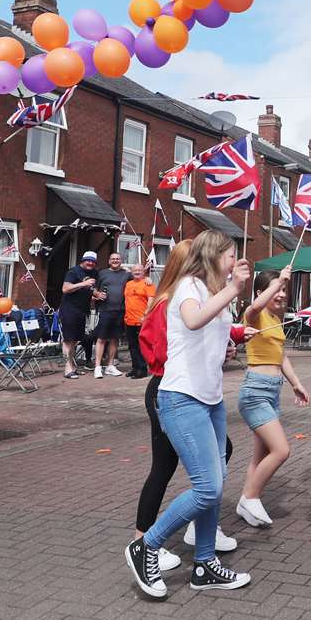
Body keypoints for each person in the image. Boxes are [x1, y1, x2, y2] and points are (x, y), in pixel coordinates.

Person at [126, 230, 254, 599]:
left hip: (210, 399)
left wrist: (225, 348)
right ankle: (146, 545)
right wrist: (233, 290)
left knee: (216, 483)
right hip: (181, 397)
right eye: (231, 256)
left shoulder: (216, 294)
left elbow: (203, 335)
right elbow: (194, 320)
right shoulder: (188, 286)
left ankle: (204, 563)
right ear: (214, 256)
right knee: (207, 487)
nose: (235, 262)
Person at [235, 267, 309, 528]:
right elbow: (254, 307)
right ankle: (249, 497)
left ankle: (247, 504)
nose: (281, 294)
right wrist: (278, 281)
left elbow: (281, 356)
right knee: (281, 450)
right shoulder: (254, 316)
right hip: (255, 391)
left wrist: (296, 384)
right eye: (276, 290)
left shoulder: (276, 321)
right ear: (262, 292)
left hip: (272, 391)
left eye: (284, 291)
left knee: (261, 455)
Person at [57, 252, 98, 378]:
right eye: (88, 260)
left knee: (75, 340)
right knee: (69, 339)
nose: (90, 263)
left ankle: (73, 366)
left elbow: (90, 290)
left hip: (82, 310)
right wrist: (83, 284)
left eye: (92, 261)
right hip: (70, 309)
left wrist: (97, 294)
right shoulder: (73, 272)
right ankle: (68, 369)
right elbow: (65, 289)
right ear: (83, 260)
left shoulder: (93, 273)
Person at [91, 252, 132, 378]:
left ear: (121, 261)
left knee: (115, 339)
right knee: (101, 338)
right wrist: (97, 294)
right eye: (113, 259)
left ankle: (110, 366)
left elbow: (138, 277)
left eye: (118, 259)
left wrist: (146, 278)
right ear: (109, 261)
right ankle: (97, 367)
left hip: (120, 310)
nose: (115, 260)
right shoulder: (102, 273)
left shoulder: (126, 274)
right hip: (105, 310)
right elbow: (93, 289)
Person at [123, 262, 156, 379]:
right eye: (135, 270)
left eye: (139, 270)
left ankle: (142, 370)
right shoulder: (128, 284)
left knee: (141, 346)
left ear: (143, 272)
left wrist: (145, 315)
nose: (137, 272)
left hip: (141, 320)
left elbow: (151, 301)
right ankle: (135, 368)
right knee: (132, 346)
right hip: (129, 320)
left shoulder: (148, 284)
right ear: (132, 272)